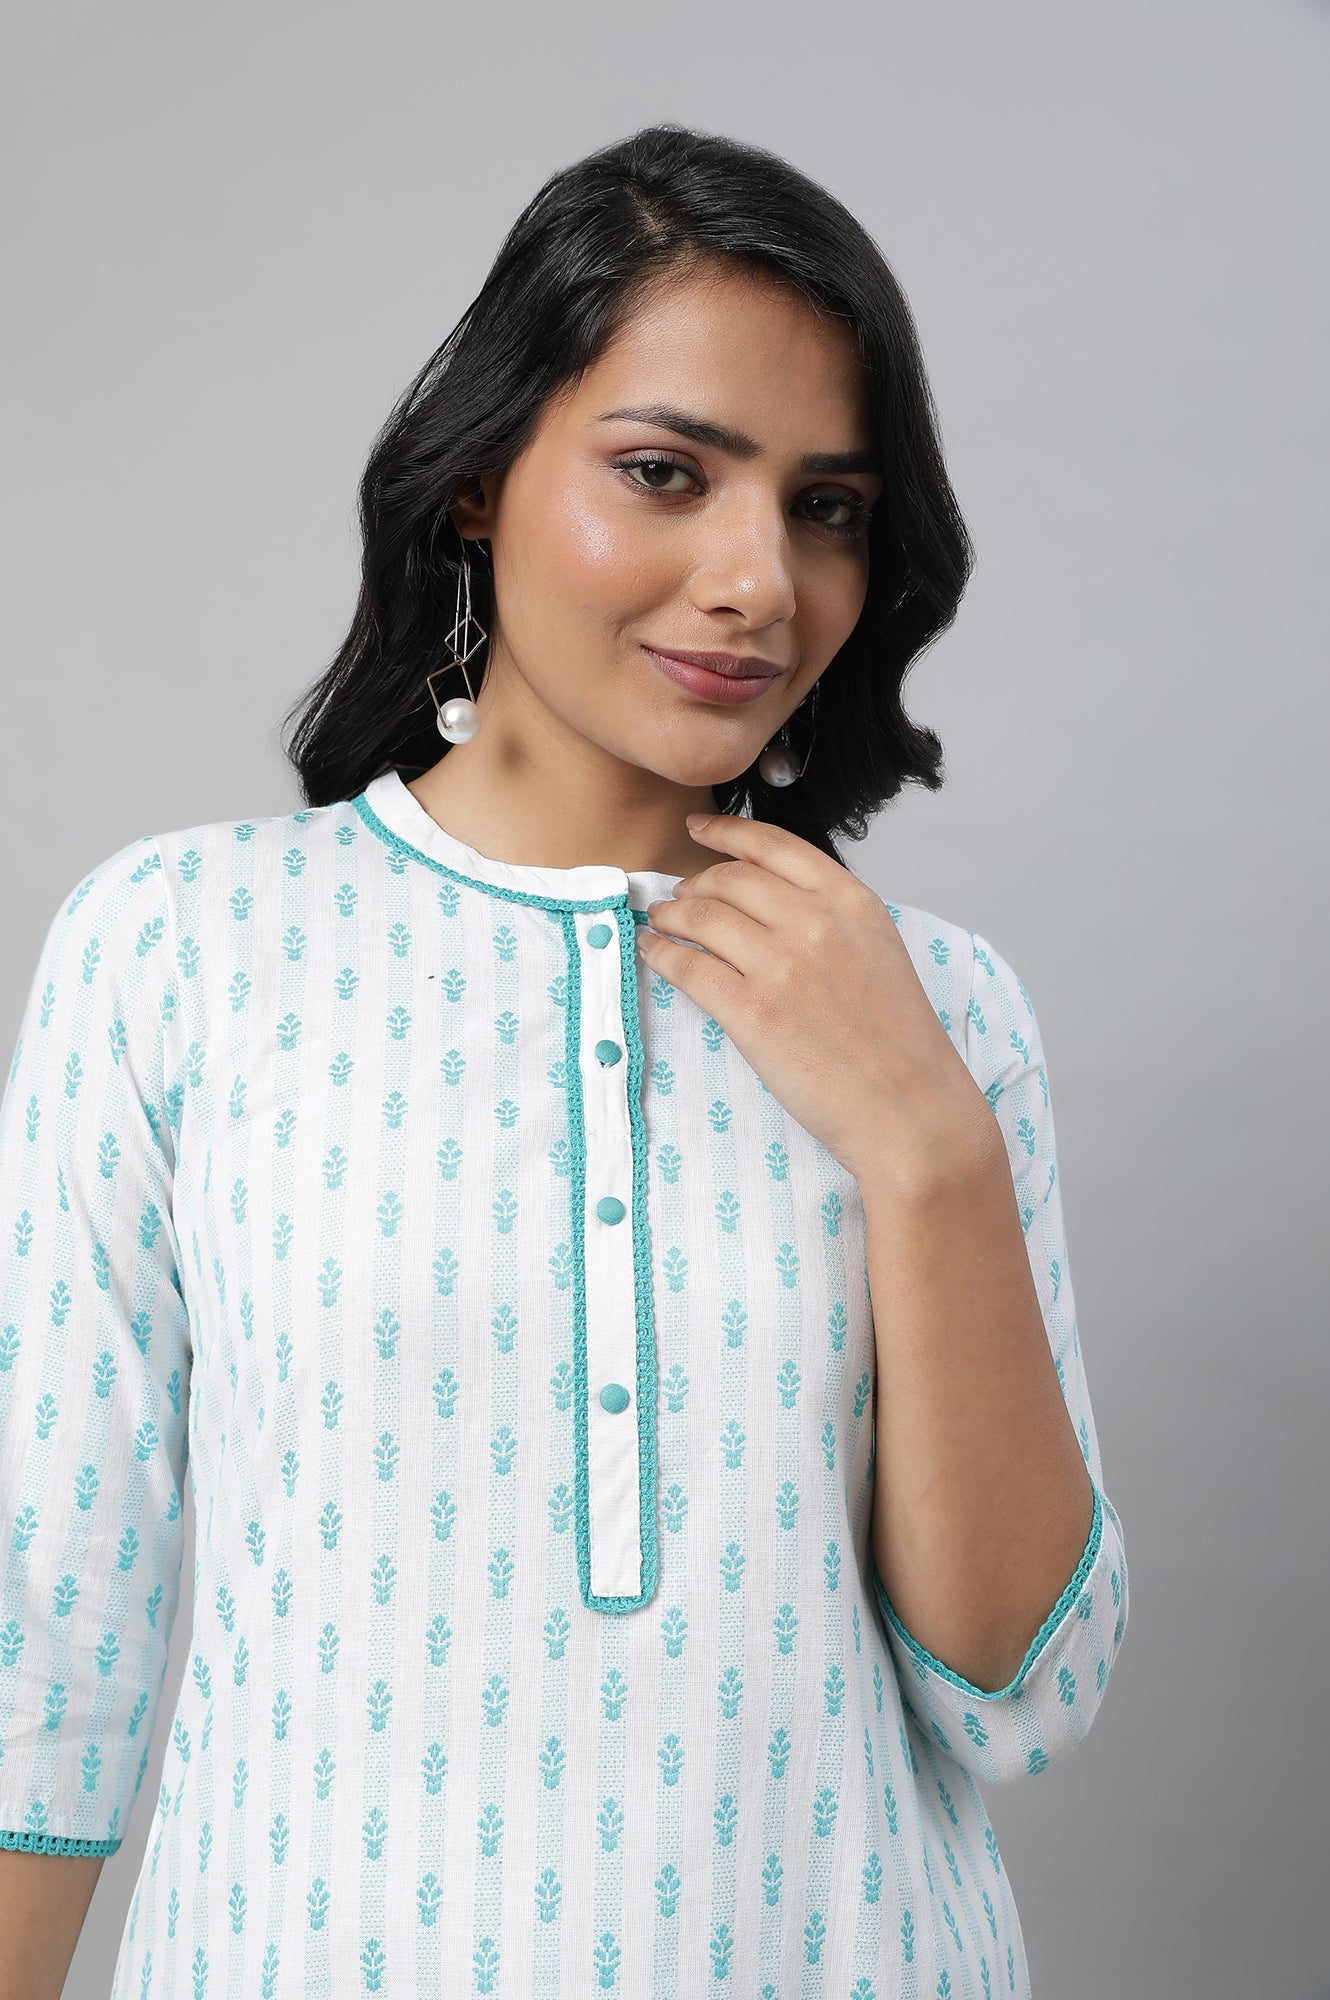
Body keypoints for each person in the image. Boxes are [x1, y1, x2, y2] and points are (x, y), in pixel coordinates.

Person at [0, 121, 1128, 1999]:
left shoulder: (939, 1008)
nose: (757, 579)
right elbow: (44, 1629)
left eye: (827, 508)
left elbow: (1025, 1695)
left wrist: (925, 1148)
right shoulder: (182, 948)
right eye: (665, 473)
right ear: (475, 484)